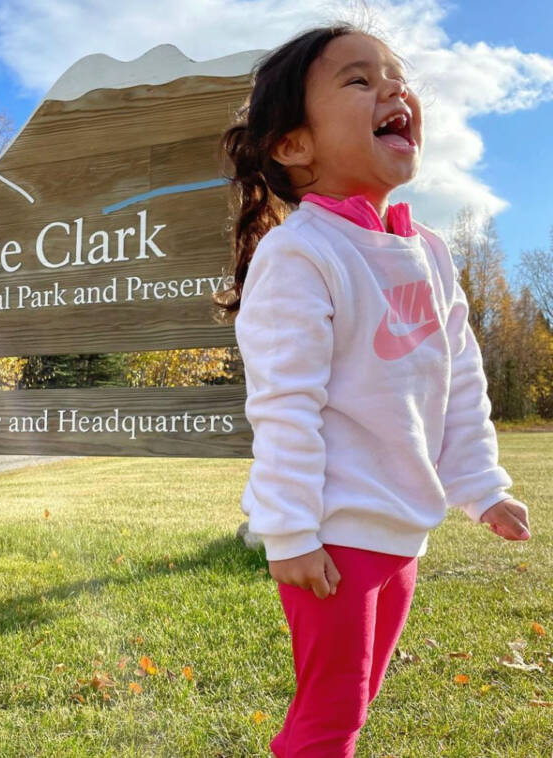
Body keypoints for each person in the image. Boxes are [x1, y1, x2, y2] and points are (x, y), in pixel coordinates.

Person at [215, 22, 532, 758]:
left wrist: (482, 485)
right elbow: (284, 400)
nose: (393, 87)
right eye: (359, 80)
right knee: (331, 722)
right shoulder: (302, 252)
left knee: (350, 707)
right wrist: (288, 528)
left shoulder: (430, 253)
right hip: (333, 535)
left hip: (401, 532)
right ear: (296, 146)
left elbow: (459, 378)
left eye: (395, 75)